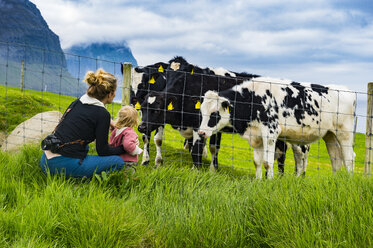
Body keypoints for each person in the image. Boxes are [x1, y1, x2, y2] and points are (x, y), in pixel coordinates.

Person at [40, 68, 126, 178]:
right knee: (118, 162)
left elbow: (87, 115)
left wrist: (109, 122)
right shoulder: (102, 114)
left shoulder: (78, 102)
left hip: (45, 161)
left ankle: (76, 172)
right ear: (109, 94)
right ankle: (77, 180)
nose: (115, 95)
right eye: (115, 92)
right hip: (60, 166)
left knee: (84, 148)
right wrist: (124, 148)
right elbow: (103, 151)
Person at [109, 106, 143, 170]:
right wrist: (136, 150)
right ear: (134, 121)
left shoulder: (117, 129)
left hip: (117, 158)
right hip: (128, 161)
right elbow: (127, 144)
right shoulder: (130, 132)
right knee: (129, 177)